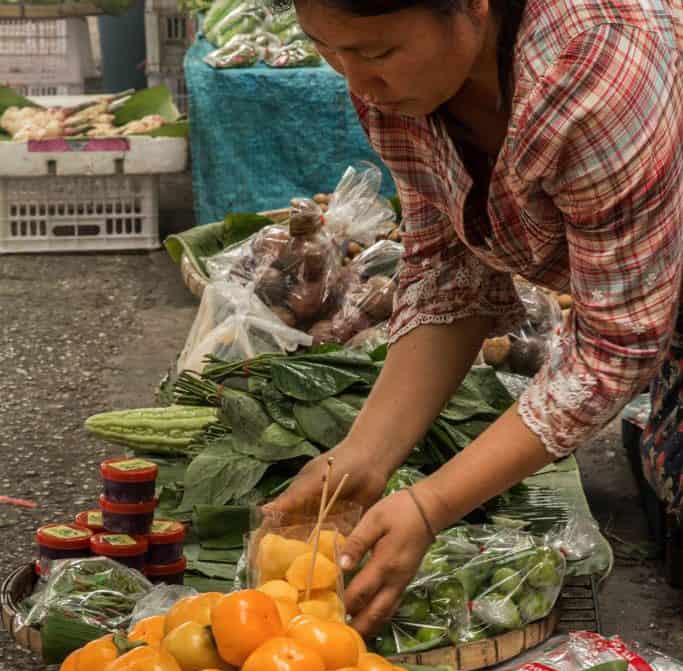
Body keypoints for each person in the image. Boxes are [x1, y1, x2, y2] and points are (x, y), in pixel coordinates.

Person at [270, 0, 683, 636]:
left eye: (377, 53)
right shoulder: (400, 92)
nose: (355, 83)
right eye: (328, 48)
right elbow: (450, 271)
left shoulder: (598, 69)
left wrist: (431, 505)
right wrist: (366, 454)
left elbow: (615, 346)